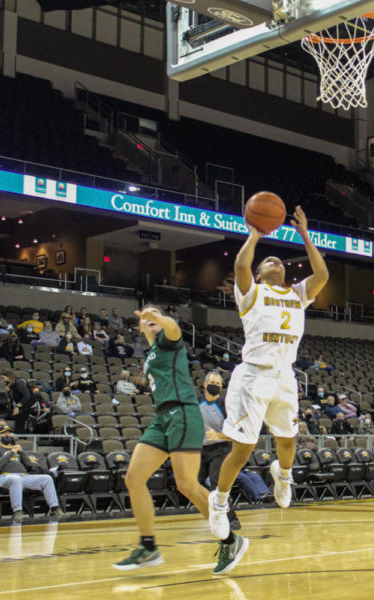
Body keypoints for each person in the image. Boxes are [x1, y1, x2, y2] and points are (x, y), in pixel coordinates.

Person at [207, 205, 327, 569]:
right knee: (242, 451)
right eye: (268, 260)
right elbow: (240, 266)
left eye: (280, 260)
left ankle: (283, 476)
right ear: (260, 272)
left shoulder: (297, 294)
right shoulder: (251, 292)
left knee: (287, 442)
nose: (276, 261)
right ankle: (219, 502)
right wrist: (257, 232)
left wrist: (305, 234)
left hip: (284, 376)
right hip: (253, 376)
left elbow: (321, 273)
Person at [112, 305, 237, 574]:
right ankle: (148, 546)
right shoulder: (150, 353)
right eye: (146, 317)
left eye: (154, 313)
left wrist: (159, 319)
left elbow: (174, 328)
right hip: (162, 417)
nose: (150, 317)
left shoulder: (169, 341)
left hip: (182, 411)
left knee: (187, 485)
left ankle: (230, 540)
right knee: (133, 478)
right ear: (140, 328)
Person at [0, 425, 64, 521]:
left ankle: (55, 508)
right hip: (2, 477)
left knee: (46, 478)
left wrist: (22, 452)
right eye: (4, 433)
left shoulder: (16, 449)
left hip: (23, 476)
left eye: (9, 433)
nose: (7, 435)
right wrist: (11, 452)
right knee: (16, 479)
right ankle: (17, 511)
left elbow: (30, 465)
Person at [198, 372, 242, 529]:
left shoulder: (225, 406)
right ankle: (213, 510)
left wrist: (219, 435)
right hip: (201, 449)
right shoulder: (196, 403)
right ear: (204, 384)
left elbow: (236, 433)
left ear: (221, 387)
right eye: (212, 383)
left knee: (217, 485)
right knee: (194, 482)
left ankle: (232, 519)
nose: (215, 386)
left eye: (218, 384)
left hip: (221, 449)